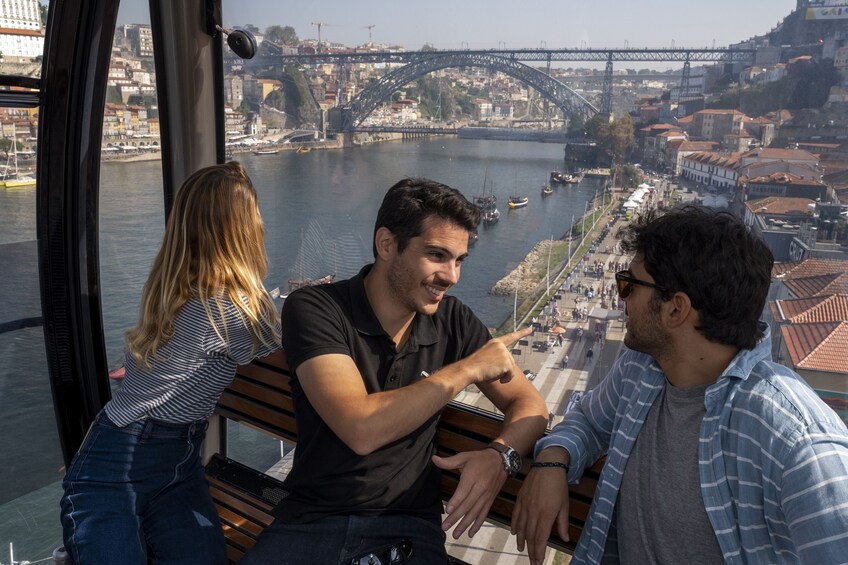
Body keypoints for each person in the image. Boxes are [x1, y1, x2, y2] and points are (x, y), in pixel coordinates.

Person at [513, 206, 848, 565]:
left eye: (629, 283)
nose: (620, 297)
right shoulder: (642, 368)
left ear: (676, 310)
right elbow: (590, 421)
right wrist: (552, 461)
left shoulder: (797, 443)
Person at [242, 178, 548, 564]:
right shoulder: (316, 309)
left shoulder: (453, 321)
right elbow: (360, 428)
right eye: (437, 255)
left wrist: (500, 457)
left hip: (407, 528)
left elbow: (530, 405)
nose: (452, 276)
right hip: (312, 523)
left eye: (459, 260)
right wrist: (467, 370)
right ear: (386, 244)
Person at [60, 162, 280, 565]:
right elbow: (288, 348)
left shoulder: (171, 288)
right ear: (245, 231)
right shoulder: (236, 310)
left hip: (144, 460)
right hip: (127, 466)